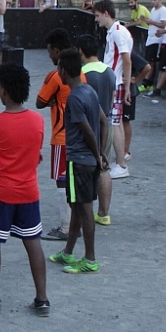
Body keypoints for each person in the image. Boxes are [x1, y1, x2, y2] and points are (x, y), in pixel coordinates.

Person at [0, 63, 49, 316]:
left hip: (1, 192)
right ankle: (42, 300)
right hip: (29, 192)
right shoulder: (37, 120)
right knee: (33, 241)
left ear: (3, 91)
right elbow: (35, 155)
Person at [49, 48, 109, 274]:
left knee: (84, 211)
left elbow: (86, 130)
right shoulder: (89, 91)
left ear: (63, 71)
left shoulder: (73, 98)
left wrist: (96, 155)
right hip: (89, 161)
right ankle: (67, 252)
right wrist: (101, 154)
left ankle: (90, 259)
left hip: (79, 161)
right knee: (76, 207)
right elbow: (102, 122)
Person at [37, 29, 80, 242]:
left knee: (61, 181)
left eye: (50, 52)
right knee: (74, 181)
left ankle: (65, 228)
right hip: (79, 135)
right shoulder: (81, 73)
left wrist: (52, 99)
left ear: (56, 50)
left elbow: (39, 102)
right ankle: (75, 223)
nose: (49, 57)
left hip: (61, 137)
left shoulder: (55, 76)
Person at [76, 35, 116, 228]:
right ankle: (104, 213)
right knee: (104, 167)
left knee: (82, 168)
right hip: (107, 124)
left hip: (87, 125)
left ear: (80, 51)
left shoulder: (81, 73)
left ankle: (82, 213)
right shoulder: (110, 72)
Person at [93, 0, 133, 181]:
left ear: (105, 13)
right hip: (115, 82)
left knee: (114, 123)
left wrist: (126, 87)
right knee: (116, 122)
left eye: (97, 15)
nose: (96, 19)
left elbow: (126, 59)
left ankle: (121, 165)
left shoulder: (117, 33)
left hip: (115, 83)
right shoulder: (115, 32)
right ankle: (120, 162)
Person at [121, 51, 152, 162]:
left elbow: (147, 67)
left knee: (125, 120)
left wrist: (135, 80)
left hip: (129, 91)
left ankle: (125, 150)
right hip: (121, 89)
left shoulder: (128, 52)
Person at [140, 0, 166, 91]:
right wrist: (146, 21)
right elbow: (152, 24)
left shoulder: (163, 10)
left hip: (157, 39)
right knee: (148, 61)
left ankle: (147, 83)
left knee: (151, 62)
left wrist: (151, 22)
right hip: (150, 37)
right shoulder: (153, 10)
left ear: (160, 0)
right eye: (151, 0)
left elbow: (164, 25)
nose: (152, 2)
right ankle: (149, 83)